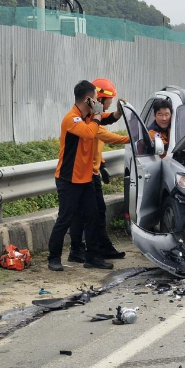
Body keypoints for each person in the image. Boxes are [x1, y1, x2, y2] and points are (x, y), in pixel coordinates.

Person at [48, 80, 114, 271]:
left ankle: (92, 257)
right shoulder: (72, 119)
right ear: (88, 99)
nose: (98, 102)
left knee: (92, 216)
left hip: (85, 178)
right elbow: (89, 133)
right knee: (65, 218)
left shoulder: (87, 117)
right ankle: (54, 258)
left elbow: (104, 119)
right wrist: (99, 115)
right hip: (68, 179)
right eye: (95, 98)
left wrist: (117, 114)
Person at [68, 78, 131, 263]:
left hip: (93, 171)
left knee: (95, 212)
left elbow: (107, 122)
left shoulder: (96, 119)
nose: (110, 103)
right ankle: (83, 250)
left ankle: (98, 247)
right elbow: (107, 135)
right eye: (108, 99)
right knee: (87, 214)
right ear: (100, 99)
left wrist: (101, 164)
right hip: (84, 174)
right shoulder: (90, 121)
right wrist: (134, 138)